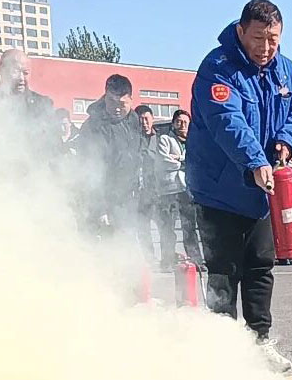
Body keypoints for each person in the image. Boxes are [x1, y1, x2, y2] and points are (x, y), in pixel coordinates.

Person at [185, 0, 292, 372]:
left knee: (260, 265)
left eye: (273, 39)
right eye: (258, 38)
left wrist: (287, 140)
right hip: (218, 188)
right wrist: (256, 160)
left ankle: (259, 340)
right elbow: (227, 121)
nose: (266, 47)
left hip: (260, 190)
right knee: (223, 271)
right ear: (241, 31)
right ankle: (223, 351)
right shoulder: (217, 69)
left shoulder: (286, 71)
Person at [77, 74, 143, 240]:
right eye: (112, 102)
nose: (117, 108)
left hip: (128, 200)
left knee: (127, 245)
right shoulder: (93, 127)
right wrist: (100, 209)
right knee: (107, 248)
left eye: (122, 104)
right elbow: (90, 172)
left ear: (131, 100)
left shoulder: (134, 121)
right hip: (104, 203)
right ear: (105, 97)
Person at [0, 48, 57, 164]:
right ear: (0, 70)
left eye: (25, 73)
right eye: (15, 71)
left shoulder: (43, 104)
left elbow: (53, 147)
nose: (21, 78)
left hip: (33, 171)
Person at [156, 109, 202, 266]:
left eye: (185, 122)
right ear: (173, 123)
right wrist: (184, 161)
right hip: (169, 190)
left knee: (189, 227)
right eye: (179, 122)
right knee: (167, 227)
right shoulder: (165, 139)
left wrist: (179, 158)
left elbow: (196, 161)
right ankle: (167, 260)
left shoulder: (193, 142)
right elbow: (164, 160)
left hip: (186, 190)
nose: (182, 125)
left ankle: (196, 260)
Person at [135, 104, 162, 263]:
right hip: (141, 190)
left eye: (147, 119)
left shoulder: (161, 138)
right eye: (141, 120)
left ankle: (168, 257)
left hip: (160, 189)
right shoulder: (133, 139)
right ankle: (149, 257)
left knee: (165, 225)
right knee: (143, 226)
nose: (144, 123)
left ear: (152, 119)